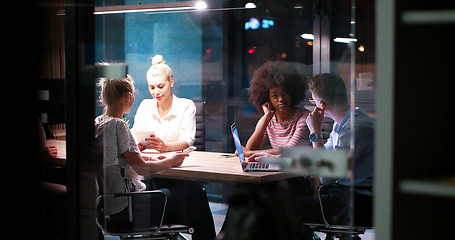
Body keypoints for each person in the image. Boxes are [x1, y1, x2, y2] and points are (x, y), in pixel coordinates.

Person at [294, 73, 375, 238]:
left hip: (357, 201)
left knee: (284, 207)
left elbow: (325, 177)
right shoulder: (342, 123)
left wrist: (315, 133)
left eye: (313, 101)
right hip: (343, 194)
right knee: (288, 191)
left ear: (321, 105)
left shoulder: (356, 128)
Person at [241, 61, 311, 157]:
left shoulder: (304, 117)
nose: (281, 99)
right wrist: (266, 118)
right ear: (267, 98)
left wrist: (250, 153)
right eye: (275, 95)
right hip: (278, 170)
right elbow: (250, 148)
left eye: (285, 93)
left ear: (292, 93)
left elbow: (289, 150)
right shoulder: (268, 119)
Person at [132, 55, 196, 152]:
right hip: (150, 160)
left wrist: (166, 147)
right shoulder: (145, 106)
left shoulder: (186, 106)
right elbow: (135, 134)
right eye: (152, 88)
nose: (156, 92)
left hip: (177, 160)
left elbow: (188, 141)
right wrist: (137, 145)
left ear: (171, 82)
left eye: (161, 86)